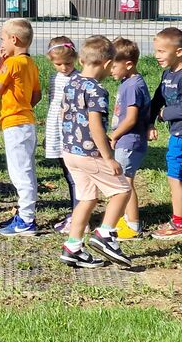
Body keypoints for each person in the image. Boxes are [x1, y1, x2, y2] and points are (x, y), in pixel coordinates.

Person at [58, 36, 134, 268]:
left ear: (81, 60)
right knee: (122, 190)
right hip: (89, 153)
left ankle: (73, 247)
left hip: (69, 152)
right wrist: (109, 158)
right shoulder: (97, 90)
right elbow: (95, 125)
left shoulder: (71, 83)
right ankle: (106, 234)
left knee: (87, 198)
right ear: (108, 63)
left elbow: (64, 114)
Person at [0, 18, 42, 236]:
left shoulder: (11, 63)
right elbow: (36, 95)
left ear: (13, 39)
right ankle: (25, 214)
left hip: (14, 123)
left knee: (19, 173)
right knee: (27, 170)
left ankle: (26, 220)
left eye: (2, 39)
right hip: (27, 122)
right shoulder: (31, 64)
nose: (1, 43)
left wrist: (0, 62)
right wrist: (24, 106)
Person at [108, 37, 151, 240]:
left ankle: (133, 225)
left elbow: (131, 118)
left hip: (129, 141)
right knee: (124, 181)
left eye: (113, 66)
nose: (110, 70)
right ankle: (126, 219)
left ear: (128, 64)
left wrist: (114, 135)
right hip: (128, 140)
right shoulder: (129, 82)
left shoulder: (132, 86)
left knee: (125, 183)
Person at [149, 26, 182, 240]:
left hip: (180, 136)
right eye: (156, 51)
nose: (156, 55)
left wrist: (164, 113)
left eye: (161, 51)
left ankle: (178, 222)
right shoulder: (167, 73)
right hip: (176, 134)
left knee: (174, 176)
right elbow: (157, 100)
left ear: (179, 51)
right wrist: (149, 122)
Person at [45, 36, 80, 234]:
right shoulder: (54, 78)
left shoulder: (78, 79)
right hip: (57, 132)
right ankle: (75, 212)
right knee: (67, 174)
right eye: (59, 64)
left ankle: (79, 216)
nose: (64, 67)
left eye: (68, 63)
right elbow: (52, 103)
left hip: (72, 133)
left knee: (75, 176)